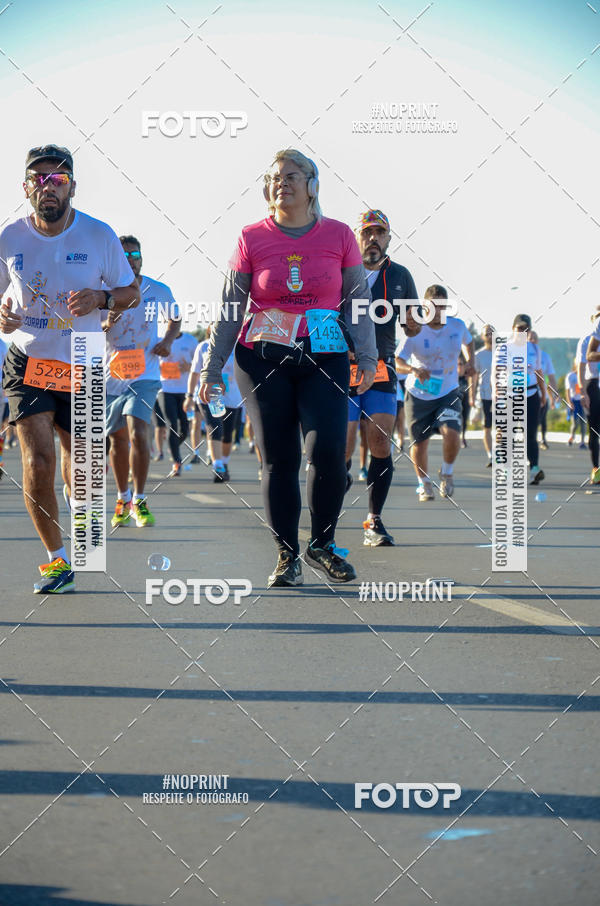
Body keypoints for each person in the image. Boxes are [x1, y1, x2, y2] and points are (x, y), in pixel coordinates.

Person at [198, 149, 377, 586]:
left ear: (312, 185)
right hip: (262, 360)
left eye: (293, 176)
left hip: (325, 356)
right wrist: (211, 367)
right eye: (275, 177)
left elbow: (356, 302)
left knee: (330, 454)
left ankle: (322, 544)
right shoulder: (251, 237)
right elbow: (229, 308)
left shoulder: (338, 236)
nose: (283, 183)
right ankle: (287, 555)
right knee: (279, 460)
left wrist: (368, 357)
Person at [0, 144, 139, 593]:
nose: (47, 187)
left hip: (83, 359)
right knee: (37, 460)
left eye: (56, 180)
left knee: (81, 467)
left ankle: (77, 508)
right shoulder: (9, 238)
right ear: (26, 188)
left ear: (72, 187)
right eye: (38, 180)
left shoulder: (99, 235)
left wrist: (101, 299)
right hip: (28, 361)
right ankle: (57, 561)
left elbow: (130, 292)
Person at [345, 209, 418, 546]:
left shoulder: (400, 275)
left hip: (382, 366)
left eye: (379, 233)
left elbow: (411, 324)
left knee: (380, 439)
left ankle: (374, 520)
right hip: (342, 366)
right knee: (341, 446)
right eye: (367, 233)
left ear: (388, 238)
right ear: (357, 237)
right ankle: (331, 495)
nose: (373, 239)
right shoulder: (341, 270)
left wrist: (417, 321)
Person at [105, 235, 181, 527]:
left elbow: (175, 319)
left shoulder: (158, 290)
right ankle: (122, 497)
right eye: (123, 254)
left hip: (146, 373)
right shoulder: (103, 291)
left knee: (138, 430)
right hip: (111, 376)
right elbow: (86, 329)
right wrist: (104, 324)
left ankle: (138, 498)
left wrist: (168, 341)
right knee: (118, 439)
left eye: (134, 253)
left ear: (142, 258)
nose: (130, 259)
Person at [395, 284, 474, 500]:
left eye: (442, 307)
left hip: (448, 391)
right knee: (420, 444)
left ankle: (446, 473)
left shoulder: (457, 326)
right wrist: (413, 369)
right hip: (419, 393)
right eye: (433, 307)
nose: (438, 311)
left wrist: (470, 363)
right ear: (424, 306)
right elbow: (397, 360)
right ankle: (424, 483)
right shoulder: (414, 330)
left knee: (452, 433)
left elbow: (469, 342)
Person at [187, 339, 243, 482]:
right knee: (215, 427)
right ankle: (218, 466)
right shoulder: (204, 346)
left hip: (233, 396)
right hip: (212, 395)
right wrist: (189, 396)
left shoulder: (239, 344)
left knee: (227, 434)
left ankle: (224, 462)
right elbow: (194, 373)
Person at [154, 329, 198, 476]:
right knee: (172, 425)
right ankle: (176, 462)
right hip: (165, 390)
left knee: (184, 428)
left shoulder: (190, 341)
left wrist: (189, 367)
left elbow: (199, 364)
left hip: (185, 391)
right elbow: (150, 362)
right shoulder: (158, 340)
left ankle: (173, 446)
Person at [511, 314, 546, 485]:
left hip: (531, 395)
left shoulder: (534, 349)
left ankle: (534, 469)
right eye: (519, 329)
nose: (522, 332)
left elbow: (539, 373)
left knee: (531, 434)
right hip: (510, 395)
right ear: (513, 329)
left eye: (526, 329)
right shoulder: (505, 349)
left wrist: (544, 394)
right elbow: (497, 374)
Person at [579, 308, 600, 483]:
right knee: (595, 430)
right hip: (594, 384)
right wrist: (583, 391)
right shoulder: (586, 340)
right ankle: (596, 468)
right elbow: (583, 364)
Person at [529, 331, 558, 449]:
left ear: (538, 340)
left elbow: (551, 376)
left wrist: (555, 393)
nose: (532, 340)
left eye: (534, 338)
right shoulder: (519, 355)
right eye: (530, 338)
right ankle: (529, 442)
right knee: (530, 422)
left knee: (541, 419)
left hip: (542, 395)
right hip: (526, 394)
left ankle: (542, 440)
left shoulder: (545, 356)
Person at [474, 324, 494, 467]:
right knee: (487, 427)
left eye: (491, 333)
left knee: (501, 427)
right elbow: (473, 377)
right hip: (485, 395)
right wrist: (471, 396)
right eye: (486, 334)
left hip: (502, 396)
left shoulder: (502, 353)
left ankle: (500, 454)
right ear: (483, 337)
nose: (489, 336)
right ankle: (491, 455)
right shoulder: (479, 355)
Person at [565, 360, 585, 449]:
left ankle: (582, 442)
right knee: (575, 423)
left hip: (583, 402)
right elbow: (567, 391)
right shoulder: (571, 376)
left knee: (583, 422)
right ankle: (572, 436)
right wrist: (570, 403)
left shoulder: (585, 376)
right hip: (574, 402)